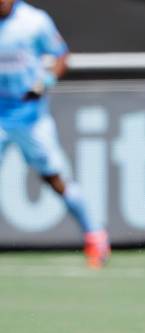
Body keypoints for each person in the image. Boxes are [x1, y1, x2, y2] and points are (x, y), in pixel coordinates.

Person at [0, 0, 110, 268]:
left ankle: (95, 234)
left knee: (54, 178)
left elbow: (61, 56)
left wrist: (45, 82)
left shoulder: (34, 21)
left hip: (30, 116)